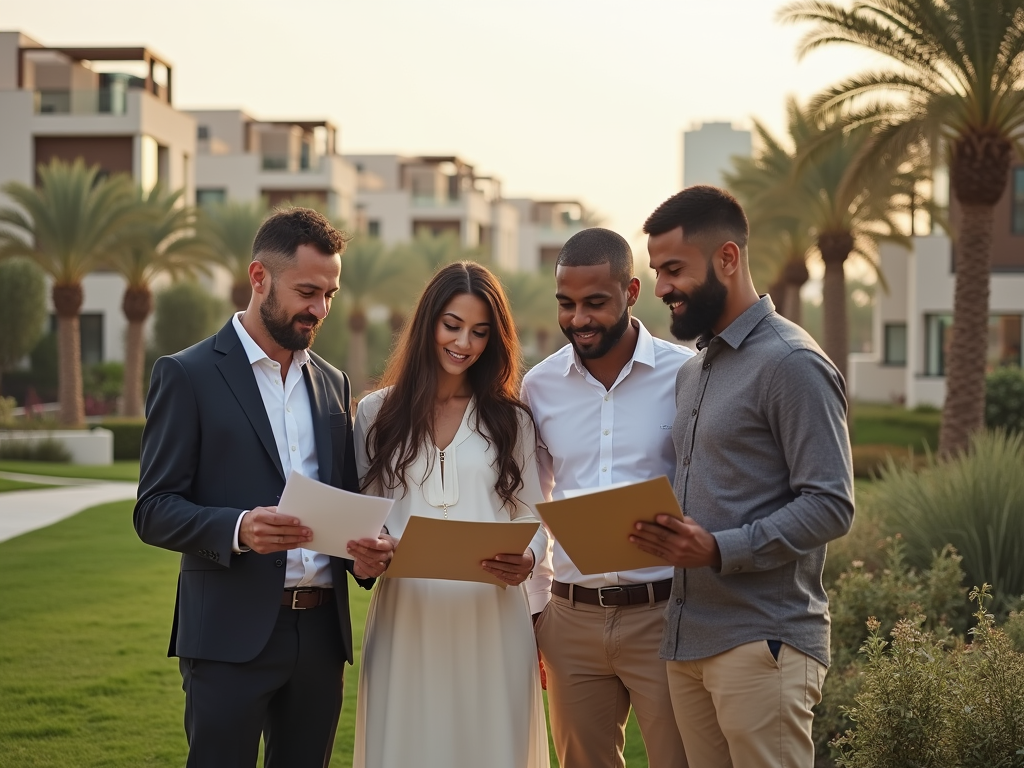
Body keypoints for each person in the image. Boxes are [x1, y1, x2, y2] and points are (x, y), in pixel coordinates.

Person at [134, 208, 395, 768]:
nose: (320, 309)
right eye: (307, 291)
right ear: (259, 278)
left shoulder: (332, 382)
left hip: (321, 637)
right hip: (228, 636)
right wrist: (238, 529)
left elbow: (343, 498)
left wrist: (366, 557)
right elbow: (153, 509)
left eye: (329, 293)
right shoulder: (188, 374)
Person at [631, 186, 855, 768]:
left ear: (727, 259)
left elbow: (832, 503)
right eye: (656, 271)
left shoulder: (793, 363)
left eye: (674, 269)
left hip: (764, 643)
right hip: (688, 641)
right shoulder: (695, 369)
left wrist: (718, 548)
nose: (661, 289)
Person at [352, 261, 551, 768]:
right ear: (427, 324)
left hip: (492, 617)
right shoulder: (376, 413)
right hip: (407, 617)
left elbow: (532, 517)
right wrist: (369, 549)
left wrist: (527, 558)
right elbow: (366, 514)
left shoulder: (512, 420)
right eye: (453, 325)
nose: (465, 342)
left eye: (481, 332)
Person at [522, 227, 692, 768]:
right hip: (570, 619)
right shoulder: (539, 386)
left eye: (595, 303)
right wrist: (537, 612)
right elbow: (533, 504)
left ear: (632, 292)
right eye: (566, 304)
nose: (578, 319)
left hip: (664, 614)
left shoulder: (685, 374)